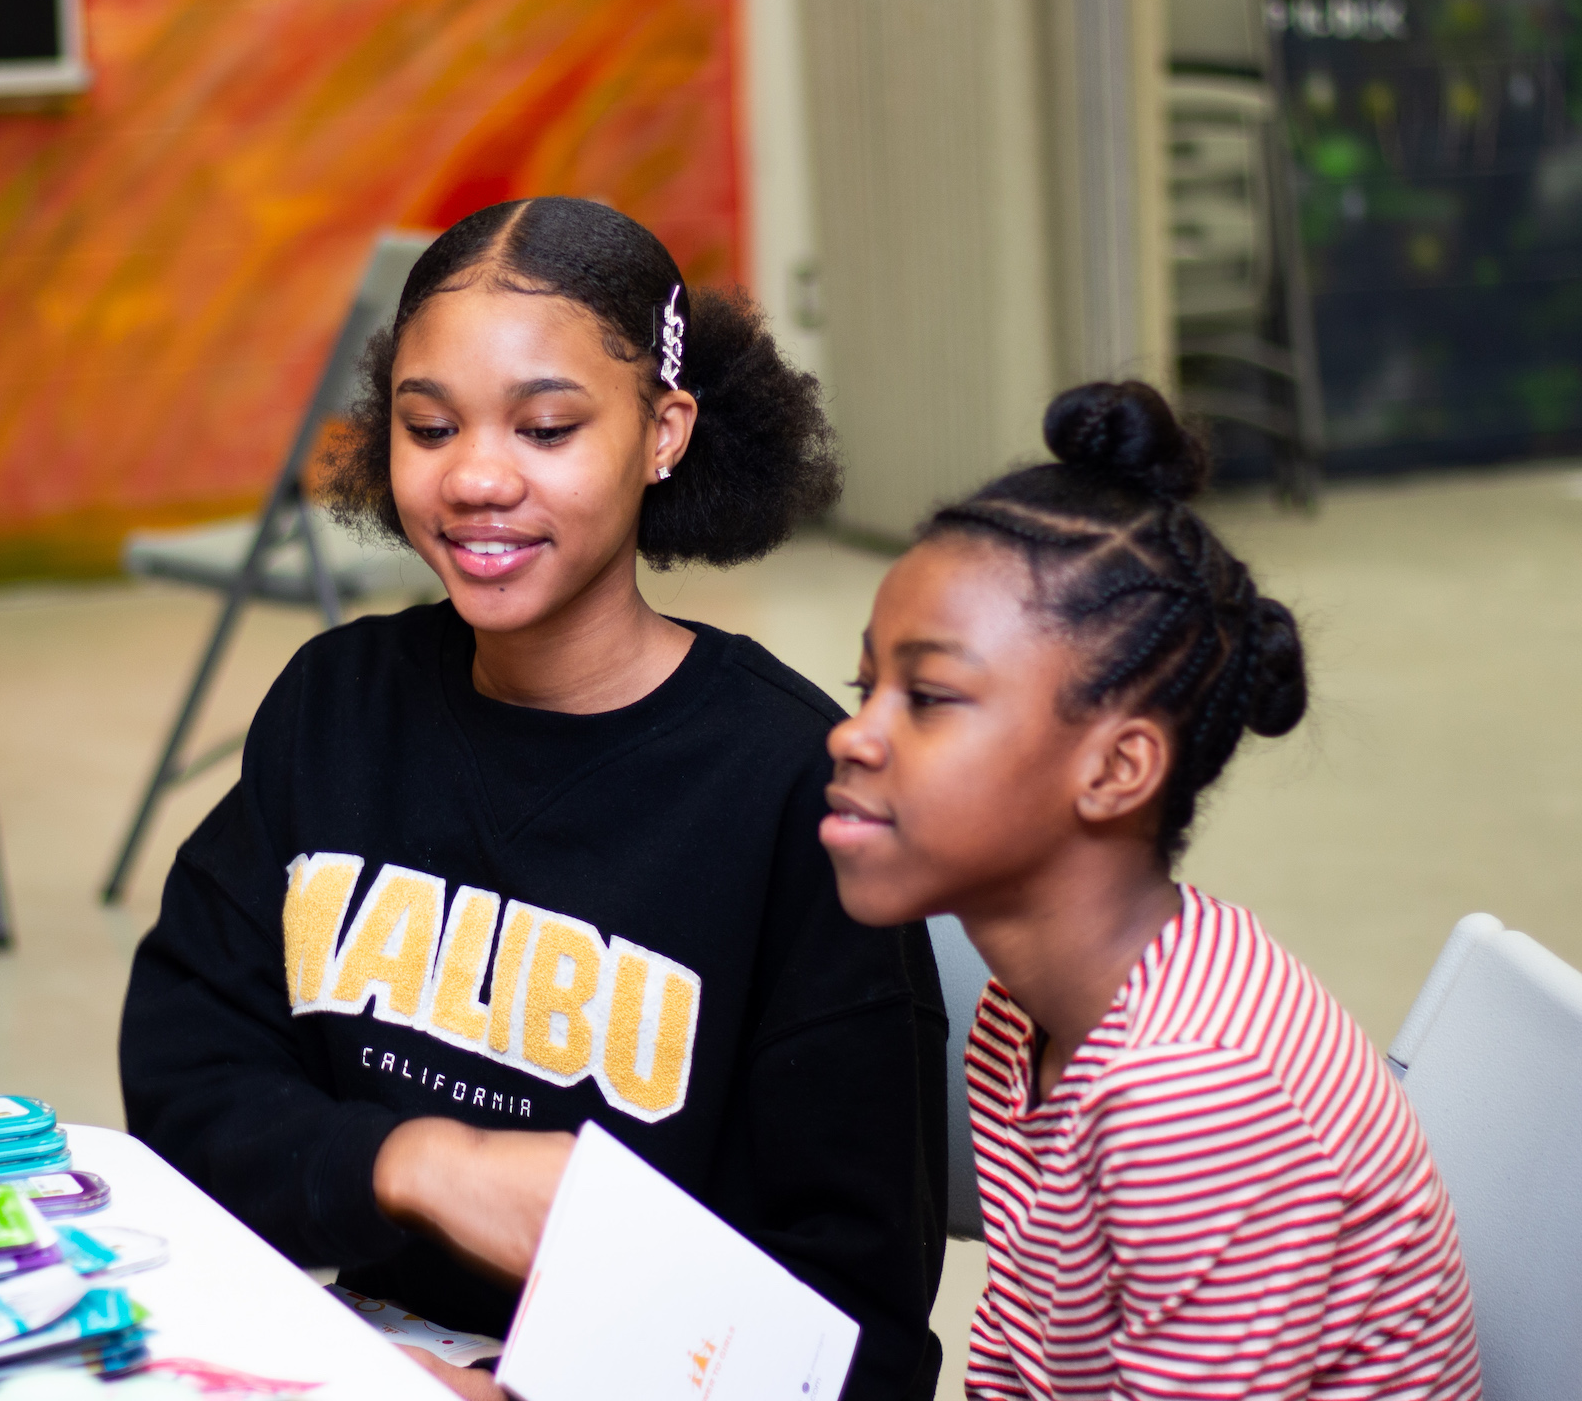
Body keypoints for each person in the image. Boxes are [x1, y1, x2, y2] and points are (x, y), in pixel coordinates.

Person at [120, 198, 949, 1400]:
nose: (476, 478)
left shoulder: (795, 794)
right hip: (346, 1350)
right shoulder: (336, 705)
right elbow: (188, 1090)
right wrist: (427, 1163)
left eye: (548, 427)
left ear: (664, 433)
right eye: (429, 426)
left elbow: (850, 1321)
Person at [821, 381, 1482, 1400]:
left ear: (1117, 770)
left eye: (931, 698)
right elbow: (1021, 1348)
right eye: (871, 691)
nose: (853, 734)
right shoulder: (1023, 1017)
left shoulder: (1193, 1095)